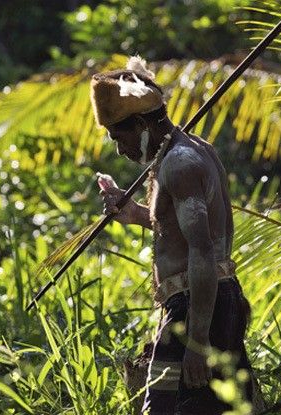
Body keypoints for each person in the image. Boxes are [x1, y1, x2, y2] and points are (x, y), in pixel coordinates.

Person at [90, 56, 255, 414]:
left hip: (196, 305)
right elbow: (188, 230)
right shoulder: (193, 150)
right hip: (215, 300)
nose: (119, 149)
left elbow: (203, 251)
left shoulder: (179, 163)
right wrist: (135, 214)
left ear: (139, 124)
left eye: (119, 136)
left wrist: (196, 342)